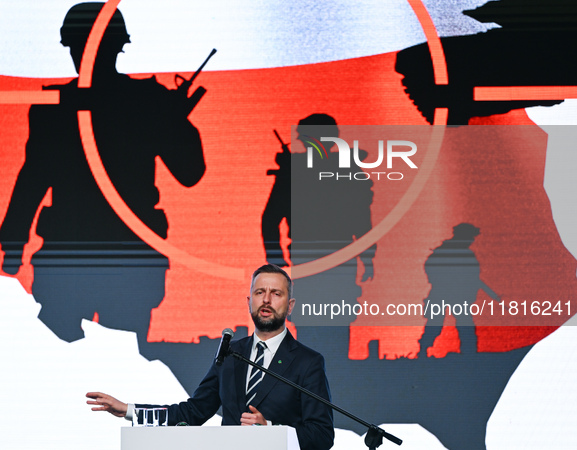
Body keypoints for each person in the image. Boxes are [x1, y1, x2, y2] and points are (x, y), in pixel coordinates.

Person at [0, 3, 205, 347]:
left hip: (75, 258)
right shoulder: (147, 102)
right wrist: (173, 119)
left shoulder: (57, 108)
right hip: (123, 258)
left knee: (69, 360)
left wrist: (13, 242)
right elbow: (190, 172)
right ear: (118, 45)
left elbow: (32, 180)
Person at [87, 264, 335, 450]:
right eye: (260, 292)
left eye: (276, 293)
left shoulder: (308, 362)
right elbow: (192, 412)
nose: (267, 300)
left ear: (290, 305)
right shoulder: (231, 354)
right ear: (249, 301)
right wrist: (129, 410)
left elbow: (322, 436)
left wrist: (271, 431)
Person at [418, 223, 500, 356]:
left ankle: (468, 353)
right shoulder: (448, 252)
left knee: (462, 324)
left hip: (455, 294)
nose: (472, 240)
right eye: (470, 237)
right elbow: (430, 267)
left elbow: (474, 277)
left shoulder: (461, 253)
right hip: (444, 293)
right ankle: (423, 350)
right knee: (437, 323)